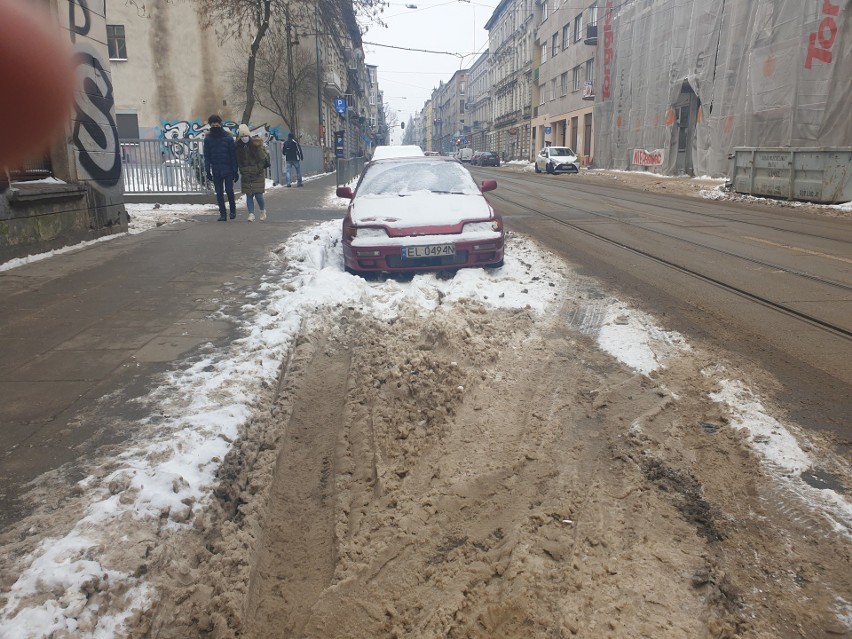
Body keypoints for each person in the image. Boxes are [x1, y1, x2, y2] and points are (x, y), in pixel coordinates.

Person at [203, 115, 239, 221]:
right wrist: (207, 170)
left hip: (228, 169)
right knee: (219, 193)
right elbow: (207, 156)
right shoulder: (208, 139)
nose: (215, 124)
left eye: (216, 122)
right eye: (213, 123)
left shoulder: (228, 138)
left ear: (220, 123)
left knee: (229, 190)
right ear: (210, 124)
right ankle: (223, 214)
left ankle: (232, 211)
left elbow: (233, 155)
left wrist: (235, 170)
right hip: (216, 170)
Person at [235, 124, 268, 222]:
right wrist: (243, 171)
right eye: (242, 136)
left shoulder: (255, 144)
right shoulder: (238, 148)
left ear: (248, 135)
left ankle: (262, 211)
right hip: (246, 175)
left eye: (245, 136)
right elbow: (239, 162)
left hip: (257, 174)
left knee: (258, 194)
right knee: (248, 194)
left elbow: (262, 159)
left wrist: (257, 169)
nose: (244, 138)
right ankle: (251, 214)